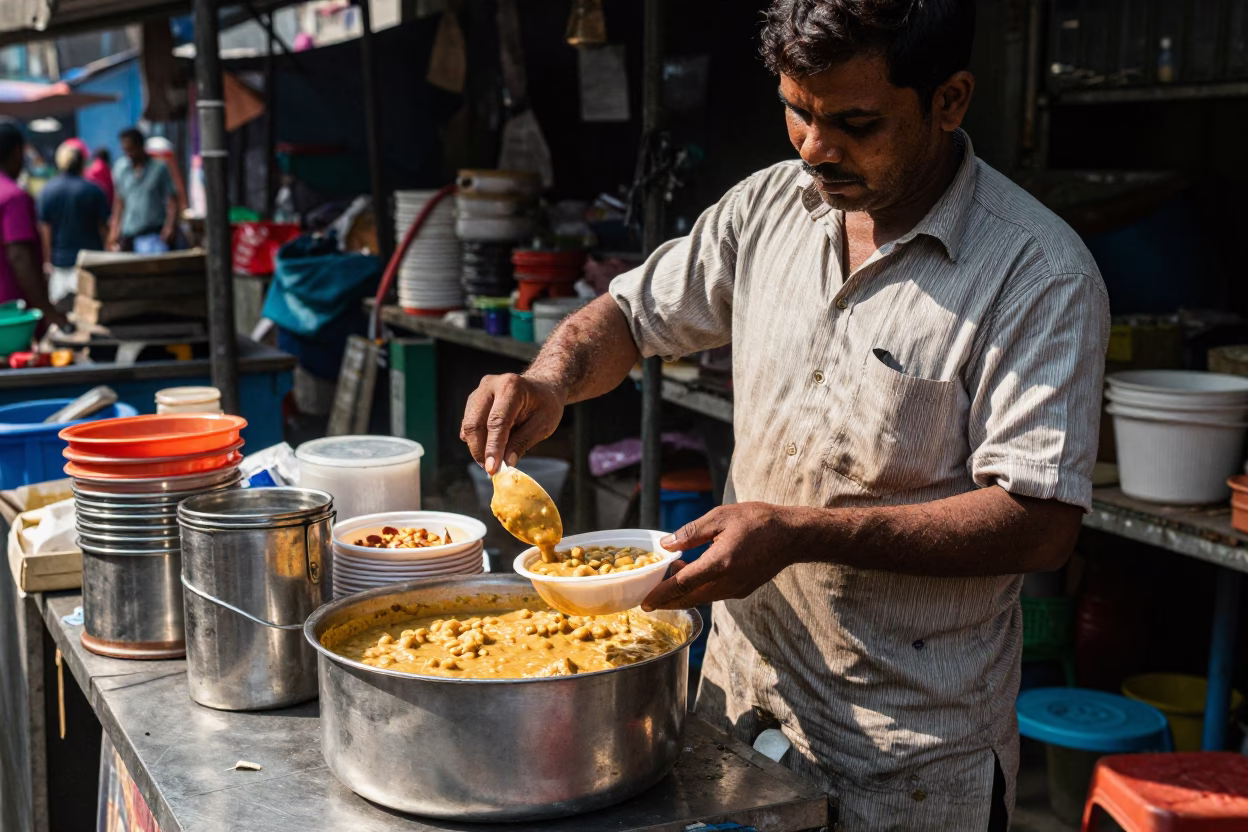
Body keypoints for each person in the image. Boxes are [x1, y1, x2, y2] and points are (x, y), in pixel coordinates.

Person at [460, 1, 1109, 829]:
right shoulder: (769, 207)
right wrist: (548, 382)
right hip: (737, 699)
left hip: (903, 754)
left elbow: (1038, 521)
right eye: (797, 112)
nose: (813, 148)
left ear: (950, 100)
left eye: (855, 122)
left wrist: (798, 533)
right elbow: (629, 316)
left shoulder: (1038, 273)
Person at [0, 121, 66, 328]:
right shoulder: (13, 197)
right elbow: (20, 256)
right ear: (17, 152)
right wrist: (48, 312)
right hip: (14, 318)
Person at [37, 141, 111, 312]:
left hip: (60, 263)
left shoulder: (47, 191)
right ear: (81, 162)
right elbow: (103, 228)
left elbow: (45, 231)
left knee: (63, 314)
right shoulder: (93, 190)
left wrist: (47, 260)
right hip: (90, 262)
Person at [108, 127, 177, 253]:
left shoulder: (159, 168)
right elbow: (119, 201)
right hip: (129, 235)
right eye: (125, 150)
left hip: (154, 234)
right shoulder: (120, 169)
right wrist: (114, 230)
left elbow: (172, 198)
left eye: (131, 149)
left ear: (140, 146)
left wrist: (170, 226)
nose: (129, 154)